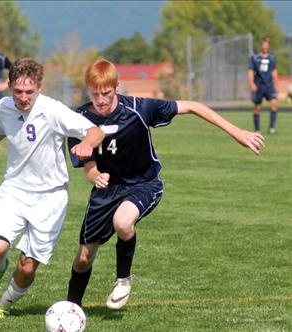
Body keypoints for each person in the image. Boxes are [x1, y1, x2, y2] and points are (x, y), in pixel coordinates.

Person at [66, 59, 265, 310]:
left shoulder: (140, 108)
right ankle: (70, 309)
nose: (101, 100)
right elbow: (88, 167)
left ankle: (123, 279)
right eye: (95, 95)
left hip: (143, 183)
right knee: (84, 258)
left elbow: (192, 106)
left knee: (122, 221)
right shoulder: (78, 119)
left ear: (117, 87)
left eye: (106, 93)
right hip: (106, 191)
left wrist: (237, 133)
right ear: (88, 90)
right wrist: (94, 175)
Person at [0, 58, 105, 319]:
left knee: (27, 267)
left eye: (30, 92)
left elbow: (95, 131)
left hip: (50, 198)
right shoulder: (4, 107)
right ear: (9, 86)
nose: (24, 97)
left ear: (40, 87)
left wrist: (87, 144)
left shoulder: (53, 110)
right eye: (18, 91)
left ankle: (3, 306)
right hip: (14, 190)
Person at [248, 36, 279, 134]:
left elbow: (274, 70)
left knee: (274, 104)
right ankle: (257, 129)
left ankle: (272, 128)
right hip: (259, 85)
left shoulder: (272, 58)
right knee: (258, 108)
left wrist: (276, 83)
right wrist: (251, 83)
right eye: (263, 44)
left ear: (268, 46)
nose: (265, 46)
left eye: (267, 44)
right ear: (261, 45)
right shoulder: (255, 58)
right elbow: (250, 71)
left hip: (269, 85)